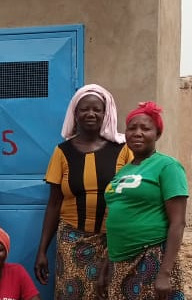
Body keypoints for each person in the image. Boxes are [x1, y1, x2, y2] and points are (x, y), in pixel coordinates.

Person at [34, 84, 133, 299]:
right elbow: (53, 203)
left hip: (114, 241)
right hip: (72, 241)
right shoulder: (62, 152)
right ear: (75, 114)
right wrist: (42, 250)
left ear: (106, 114)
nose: (91, 113)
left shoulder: (123, 149)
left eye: (97, 109)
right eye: (84, 109)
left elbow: (134, 198)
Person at [98, 101, 188, 300]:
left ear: (157, 134)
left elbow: (178, 222)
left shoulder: (168, 166)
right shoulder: (124, 170)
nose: (137, 133)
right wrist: (106, 263)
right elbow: (115, 218)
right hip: (119, 260)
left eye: (146, 128)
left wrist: (165, 273)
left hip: (151, 257)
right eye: (132, 128)